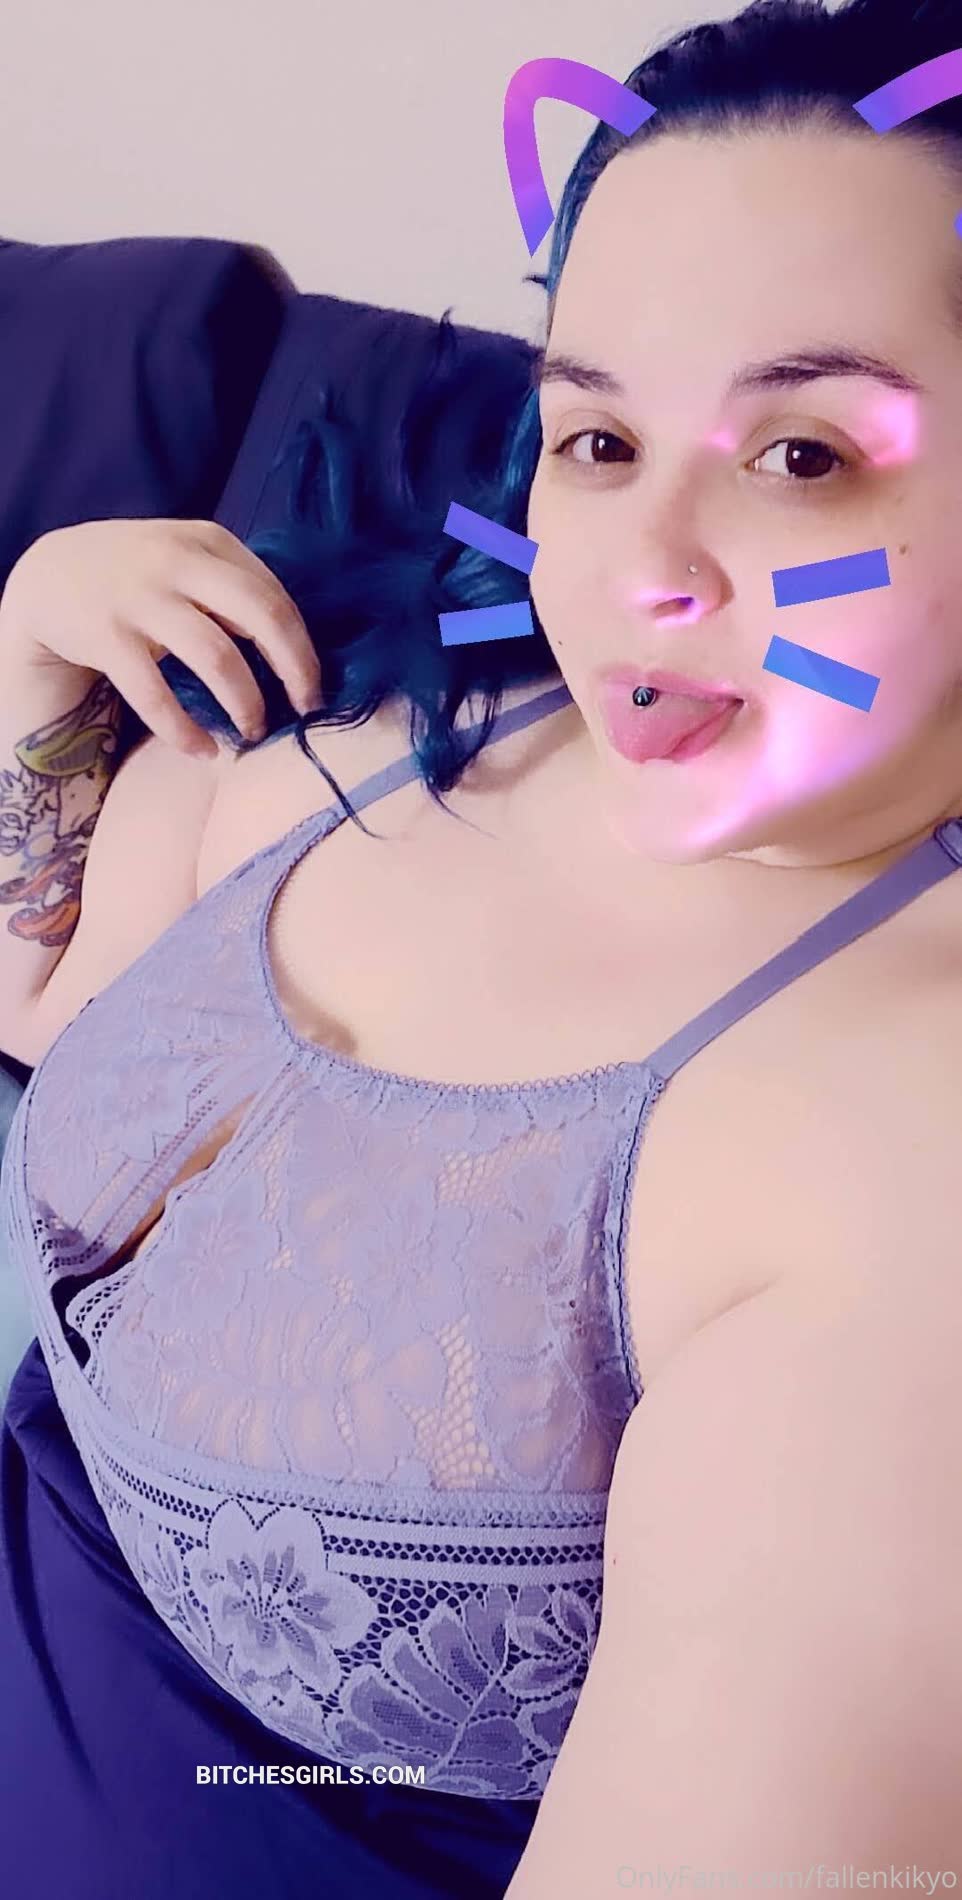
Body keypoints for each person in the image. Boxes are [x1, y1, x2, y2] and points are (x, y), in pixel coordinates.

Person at [2, 0, 961, 1892]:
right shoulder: (392, 715)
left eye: (798, 456)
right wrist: (35, 668)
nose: (640, 567)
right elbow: (44, 1009)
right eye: (596, 435)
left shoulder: (899, 1154)